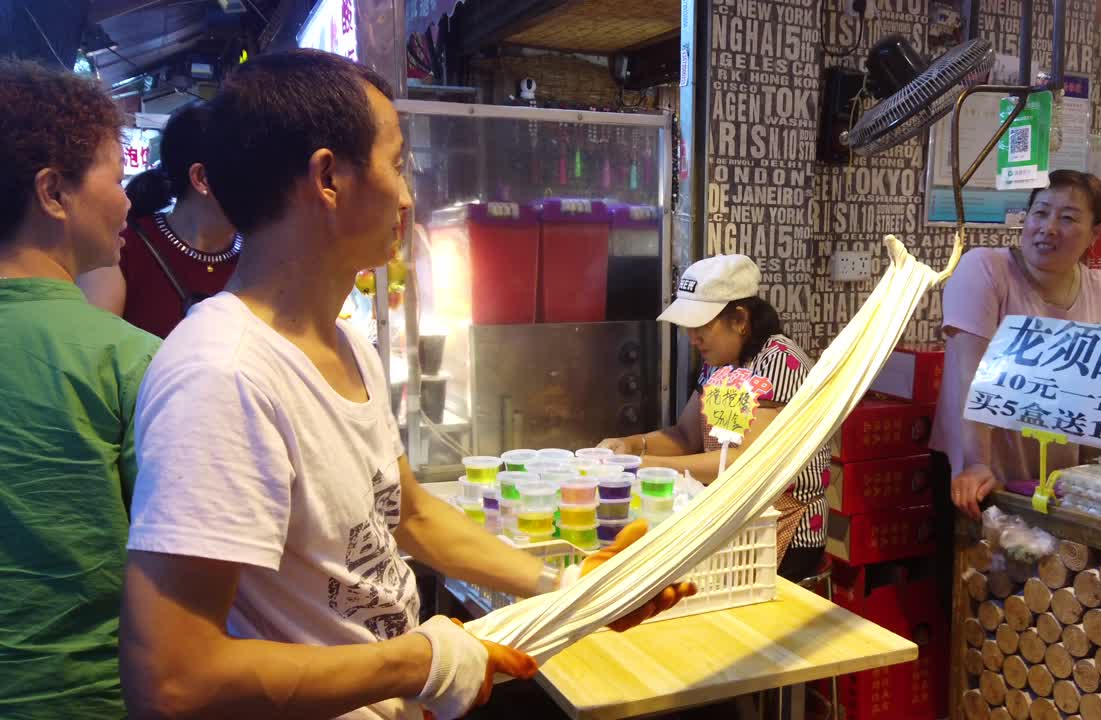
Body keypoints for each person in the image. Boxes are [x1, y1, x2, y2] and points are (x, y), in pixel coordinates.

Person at [119, 50, 693, 720]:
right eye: (397, 164)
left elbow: (410, 514)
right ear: (328, 178)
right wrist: (421, 663)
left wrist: (565, 587)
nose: (407, 195)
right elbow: (172, 680)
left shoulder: (346, 346)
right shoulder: (222, 375)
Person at [0, 60, 161, 718]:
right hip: (90, 698)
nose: (127, 202)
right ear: (53, 192)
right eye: (116, 178)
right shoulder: (128, 361)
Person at [933, 170, 1101, 521]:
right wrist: (976, 462)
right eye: (1040, 212)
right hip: (980, 477)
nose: (1048, 228)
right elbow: (970, 376)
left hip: (1059, 481)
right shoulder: (985, 270)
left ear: (1095, 233)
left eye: (1067, 218)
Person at [597, 254, 830, 582]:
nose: (692, 337)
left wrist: (644, 465)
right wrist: (631, 445)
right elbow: (685, 436)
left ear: (740, 319)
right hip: (734, 518)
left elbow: (743, 462)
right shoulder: (717, 363)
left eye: (702, 325)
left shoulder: (779, 361)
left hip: (783, 527)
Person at [78, 101, 241, 337]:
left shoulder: (260, 254)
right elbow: (93, 348)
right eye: (250, 168)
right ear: (201, 178)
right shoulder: (120, 249)